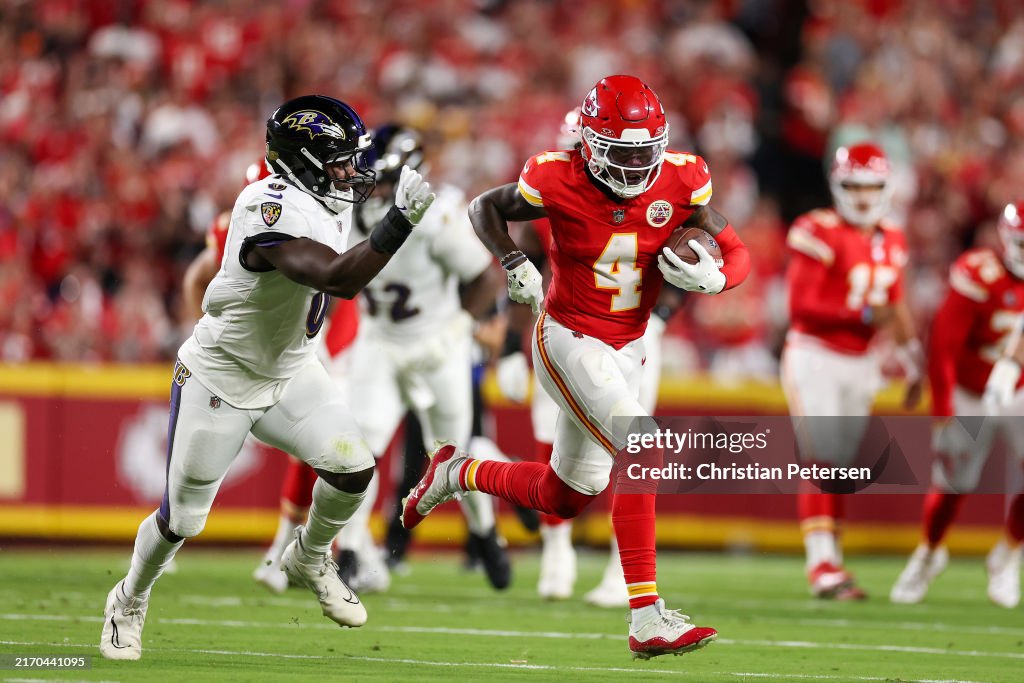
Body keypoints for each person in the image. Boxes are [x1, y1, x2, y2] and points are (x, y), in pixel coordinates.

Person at [403, 74, 751, 659]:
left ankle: (456, 472)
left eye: (647, 149)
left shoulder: (684, 177)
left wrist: (718, 278)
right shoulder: (556, 175)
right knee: (642, 444)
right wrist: (512, 259)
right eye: (625, 151)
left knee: (565, 496)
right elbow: (485, 207)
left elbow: (737, 251)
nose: (639, 163)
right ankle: (646, 616)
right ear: (590, 144)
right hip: (568, 336)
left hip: (630, 347)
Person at [100, 95, 435, 660]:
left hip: (291, 369)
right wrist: (398, 222)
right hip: (223, 377)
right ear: (301, 160)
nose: (352, 172)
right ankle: (129, 598)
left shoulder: (324, 194)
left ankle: (308, 554)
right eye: (339, 160)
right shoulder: (268, 206)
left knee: (353, 468)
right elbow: (335, 277)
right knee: (181, 520)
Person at [494, 107, 682, 606]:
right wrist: (512, 346)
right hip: (568, 331)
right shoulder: (557, 185)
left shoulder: (661, 186)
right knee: (559, 435)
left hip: (636, 332)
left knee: (632, 444)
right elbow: (524, 261)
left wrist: (662, 314)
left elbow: (688, 253)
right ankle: (560, 550)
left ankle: (625, 574)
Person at [333, 123, 510, 592]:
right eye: (368, 177)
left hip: (438, 347)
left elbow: (485, 279)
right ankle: (350, 549)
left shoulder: (436, 216)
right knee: (359, 449)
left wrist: (457, 329)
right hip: (381, 342)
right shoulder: (347, 212)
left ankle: (485, 533)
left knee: (454, 457)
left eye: (385, 181)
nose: (372, 191)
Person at [781, 141, 923, 600]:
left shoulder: (894, 237)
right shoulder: (816, 228)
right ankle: (820, 563)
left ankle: (832, 559)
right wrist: (864, 316)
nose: (863, 196)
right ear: (838, 186)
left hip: (862, 361)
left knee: (839, 466)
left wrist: (914, 358)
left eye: (872, 186)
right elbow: (802, 306)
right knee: (819, 457)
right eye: (854, 186)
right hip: (816, 354)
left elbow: (895, 305)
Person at [890, 200, 1024, 608]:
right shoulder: (978, 274)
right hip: (971, 389)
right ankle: (929, 553)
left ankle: (1009, 555)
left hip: (1019, 390)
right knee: (953, 482)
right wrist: (944, 410)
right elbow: (945, 346)